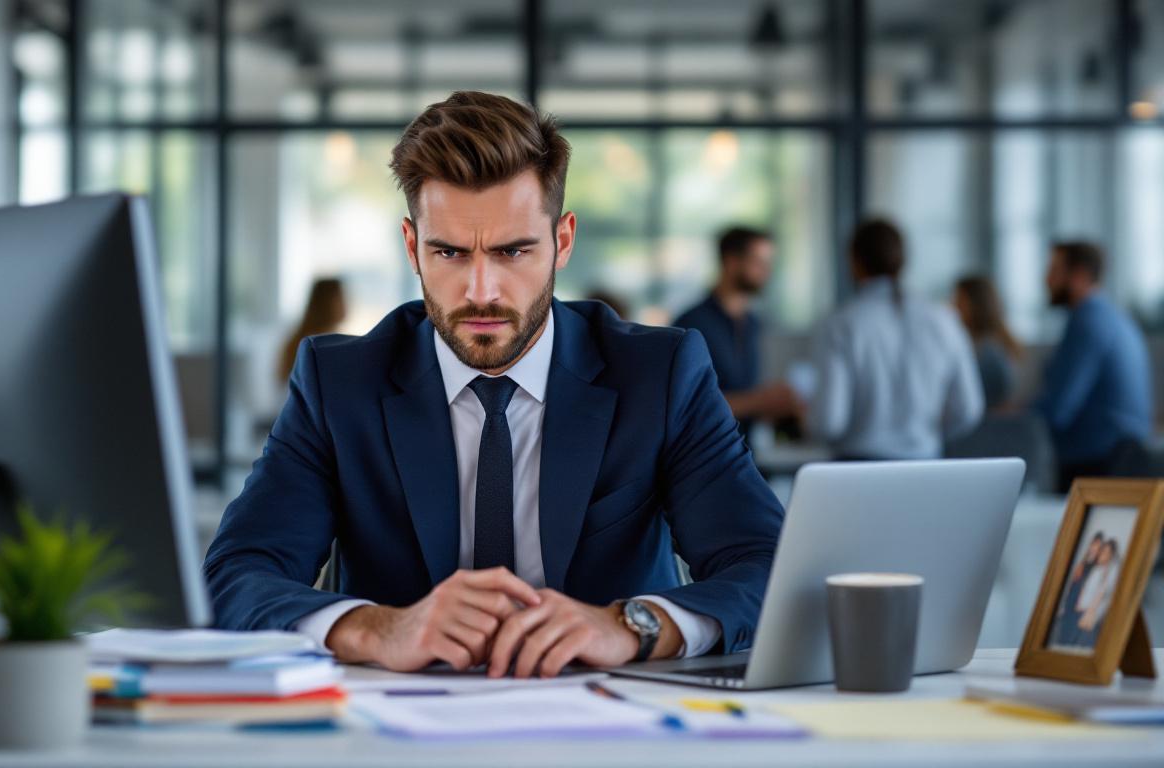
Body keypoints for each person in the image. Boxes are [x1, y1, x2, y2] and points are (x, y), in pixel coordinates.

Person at [203, 91, 784, 679]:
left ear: (562, 242)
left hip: (616, 713)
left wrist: (630, 625)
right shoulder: (340, 384)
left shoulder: (659, 375)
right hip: (397, 715)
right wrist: (378, 629)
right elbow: (236, 575)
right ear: (412, 247)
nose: (481, 292)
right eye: (449, 253)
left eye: (513, 251)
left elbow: (769, 565)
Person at [806, 219, 984, 460]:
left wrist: (804, 417)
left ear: (854, 261)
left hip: (857, 468)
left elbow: (829, 422)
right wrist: (927, 435)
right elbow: (968, 409)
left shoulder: (841, 325)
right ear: (903, 260)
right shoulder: (944, 320)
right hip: (925, 463)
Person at [1035, 242, 1154, 492]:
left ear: (1079, 275)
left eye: (1055, 270)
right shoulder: (1115, 318)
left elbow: (1059, 408)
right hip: (1126, 458)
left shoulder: (1086, 322)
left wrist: (1013, 415)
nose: (1046, 279)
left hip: (1096, 465)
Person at [672, 227, 801, 435]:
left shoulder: (753, 323)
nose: (767, 271)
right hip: (706, 448)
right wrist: (760, 400)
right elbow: (684, 403)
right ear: (731, 262)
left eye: (769, 263)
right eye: (758, 262)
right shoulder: (691, 323)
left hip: (745, 445)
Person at [953, 275, 1022, 411]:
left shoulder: (988, 351)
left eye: (959, 301)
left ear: (976, 305)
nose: (953, 307)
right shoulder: (988, 343)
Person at [277, 278, 348, 384]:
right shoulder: (317, 343)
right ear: (325, 302)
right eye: (339, 298)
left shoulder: (303, 337)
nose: (345, 304)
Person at [1052, 533, 1102, 647]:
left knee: (1073, 633)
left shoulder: (1096, 566)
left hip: (1081, 603)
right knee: (1063, 629)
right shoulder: (1082, 561)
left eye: (1098, 546)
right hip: (1071, 599)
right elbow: (1073, 581)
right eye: (1094, 544)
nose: (1095, 548)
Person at [1074, 538, 1120, 648]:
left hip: (1092, 614)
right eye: (1102, 551)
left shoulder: (1109, 572)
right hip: (1083, 610)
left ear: (1111, 556)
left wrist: (1090, 612)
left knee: (1083, 644)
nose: (1101, 554)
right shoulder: (1098, 569)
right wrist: (1080, 603)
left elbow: (1101, 593)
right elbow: (1087, 588)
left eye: (1106, 552)